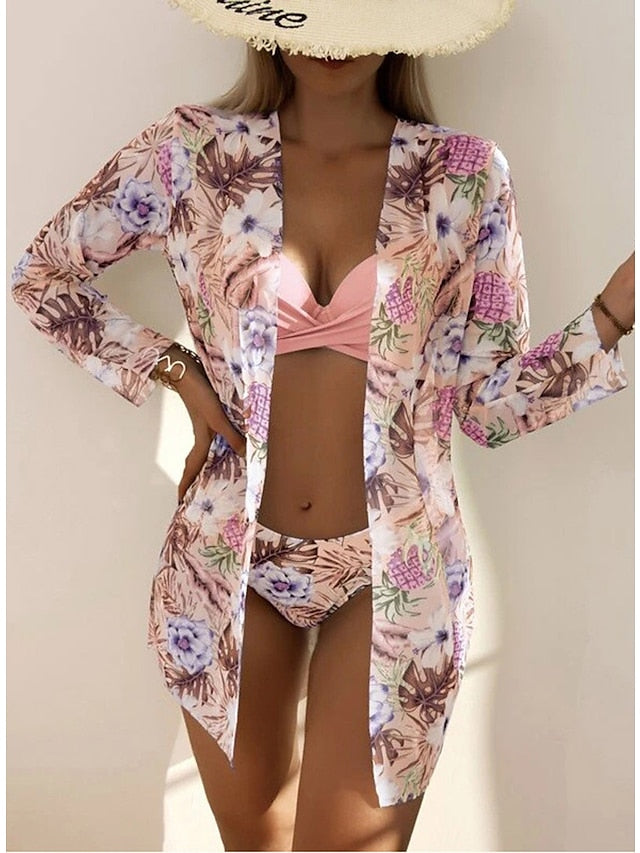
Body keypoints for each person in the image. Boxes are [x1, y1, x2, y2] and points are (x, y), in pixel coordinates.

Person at [10, 5, 635, 850]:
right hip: (226, 562)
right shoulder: (193, 153)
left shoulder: (464, 177)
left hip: (397, 572)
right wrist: (176, 372)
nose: (332, 36)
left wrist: (610, 315)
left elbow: (488, 407)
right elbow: (44, 274)